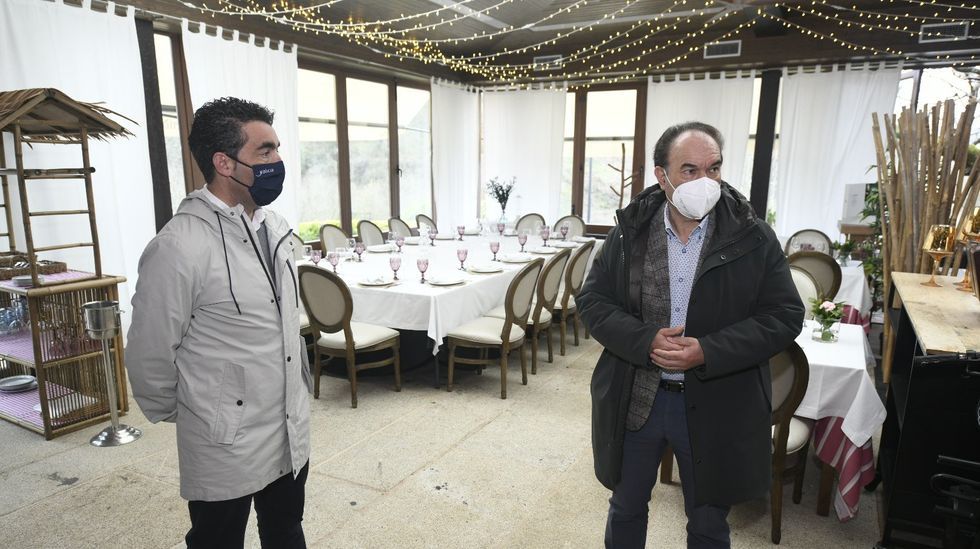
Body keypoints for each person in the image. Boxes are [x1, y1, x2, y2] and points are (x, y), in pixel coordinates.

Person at [577, 121, 804, 548]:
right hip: (637, 397)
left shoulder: (753, 237)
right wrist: (644, 340)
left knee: (707, 522)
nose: (705, 181)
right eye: (690, 170)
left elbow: (785, 315)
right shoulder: (630, 233)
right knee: (625, 508)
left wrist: (708, 350)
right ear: (662, 176)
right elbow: (593, 302)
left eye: (713, 168)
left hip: (715, 401)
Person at [126, 97, 312, 548]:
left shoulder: (276, 227)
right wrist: (202, 412)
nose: (278, 161)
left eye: (277, 149)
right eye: (265, 151)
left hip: (287, 424)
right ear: (224, 162)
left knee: (285, 531)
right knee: (218, 540)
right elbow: (149, 352)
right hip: (224, 438)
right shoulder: (179, 246)